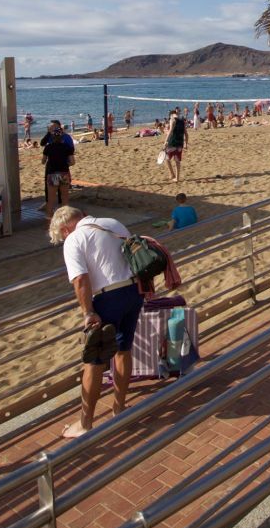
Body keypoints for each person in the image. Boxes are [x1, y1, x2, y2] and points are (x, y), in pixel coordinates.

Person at [49, 207, 143, 438]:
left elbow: (80, 279)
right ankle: (119, 407)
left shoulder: (74, 240)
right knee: (123, 349)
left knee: (93, 361)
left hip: (108, 297)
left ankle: (85, 423)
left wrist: (88, 311)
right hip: (133, 291)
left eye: (61, 236)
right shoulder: (113, 221)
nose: (63, 239)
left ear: (65, 228)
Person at [41, 120, 75, 216]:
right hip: (63, 172)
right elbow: (72, 161)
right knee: (65, 198)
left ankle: (49, 220)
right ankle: (65, 218)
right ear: (61, 136)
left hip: (52, 173)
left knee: (51, 200)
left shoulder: (48, 147)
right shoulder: (66, 147)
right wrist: (66, 163)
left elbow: (43, 161)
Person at [164, 108, 188, 182]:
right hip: (180, 143)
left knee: (167, 159)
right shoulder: (182, 121)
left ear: (171, 115)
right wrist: (186, 144)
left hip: (172, 142)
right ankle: (177, 178)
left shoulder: (172, 120)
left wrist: (165, 141)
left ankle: (172, 174)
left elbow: (170, 131)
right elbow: (186, 134)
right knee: (177, 161)